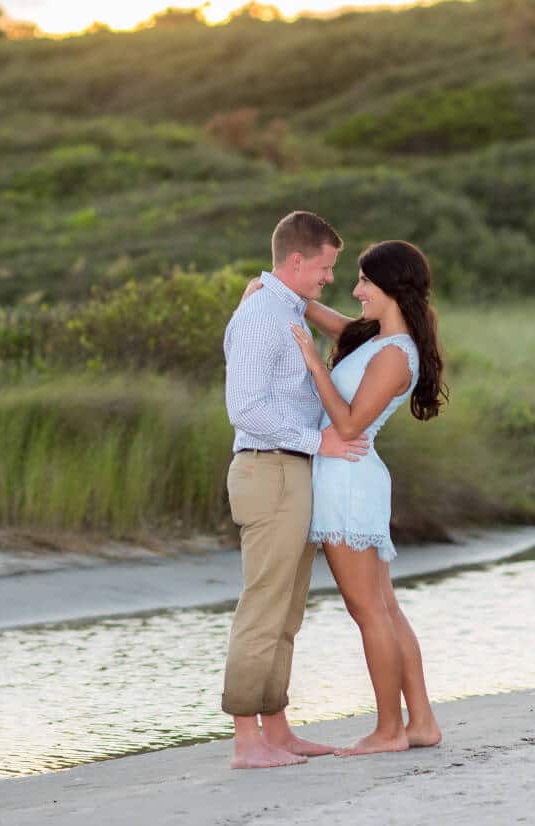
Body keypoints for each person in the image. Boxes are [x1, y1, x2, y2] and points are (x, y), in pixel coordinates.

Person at [244, 239, 447, 756]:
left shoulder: (397, 356)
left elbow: (350, 423)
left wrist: (314, 364)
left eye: (364, 283)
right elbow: (319, 313)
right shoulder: (375, 338)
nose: (355, 291)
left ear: (392, 290)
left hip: (348, 480)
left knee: (369, 612)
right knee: (386, 608)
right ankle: (420, 722)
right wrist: (271, 287)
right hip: (349, 478)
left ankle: (388, 731)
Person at [221, 210, 371, 770]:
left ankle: (277, 730)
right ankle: (245, 742)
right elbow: (247, 409)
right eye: (326, 268)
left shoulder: (283, 306)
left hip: (291, 470)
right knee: (264, 606)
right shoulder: (262, 314)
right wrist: (317, 441)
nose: (329, 278)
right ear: (296, 260)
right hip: (270, 469)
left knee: (286, 611)